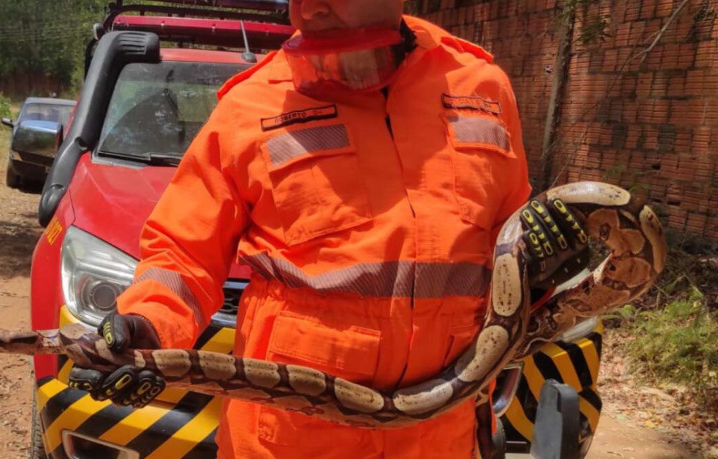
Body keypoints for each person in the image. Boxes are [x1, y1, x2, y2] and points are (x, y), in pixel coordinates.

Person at [68, 0, 589, 457]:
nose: (306, 9)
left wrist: (550, 261)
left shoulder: (482, 87)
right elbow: (182, 253)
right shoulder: (251, 106)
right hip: (291, 441)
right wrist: (146, 324)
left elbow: (511, 246)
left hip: (441, 437)